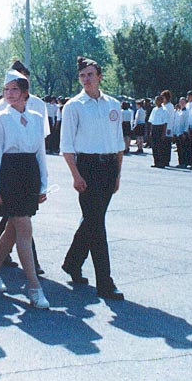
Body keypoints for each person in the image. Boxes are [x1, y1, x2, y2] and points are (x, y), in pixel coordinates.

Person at [60, 57, 126, 301]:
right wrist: (75, 175)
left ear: (99, 76)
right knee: (97, 225)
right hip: (87, 167)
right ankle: (105, 282)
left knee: (92, 220)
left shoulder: (113, 104)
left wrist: (118, 174)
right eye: (82, 76)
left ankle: (72, 262)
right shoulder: (74, 106)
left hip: (108, 167)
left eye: (90, 75)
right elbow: (66, 146)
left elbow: (119, 143)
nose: (86, 80)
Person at [0, 69, 49, 309]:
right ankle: (34, 287)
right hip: (9, 174)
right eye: (6, 90)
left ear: (25, 93)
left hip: (29, 173)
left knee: (13, 230)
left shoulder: (37, 117)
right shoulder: (0, 118)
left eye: (15, 90)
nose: (10, 94)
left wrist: (44, 182)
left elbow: (40, 152)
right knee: (23, 226)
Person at [147, 95, 168, 167]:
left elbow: (165, 123)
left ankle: (161, 162)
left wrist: (163, 133)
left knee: (160, 147)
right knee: (154, 146)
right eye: (155, 100)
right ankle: (156, 162)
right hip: (154, 128)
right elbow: (151, 121)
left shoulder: (164, 110)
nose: (156, 102)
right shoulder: (154, 109)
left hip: (160, 128)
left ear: (161, 101)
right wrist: (150, 131)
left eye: (157, 100)